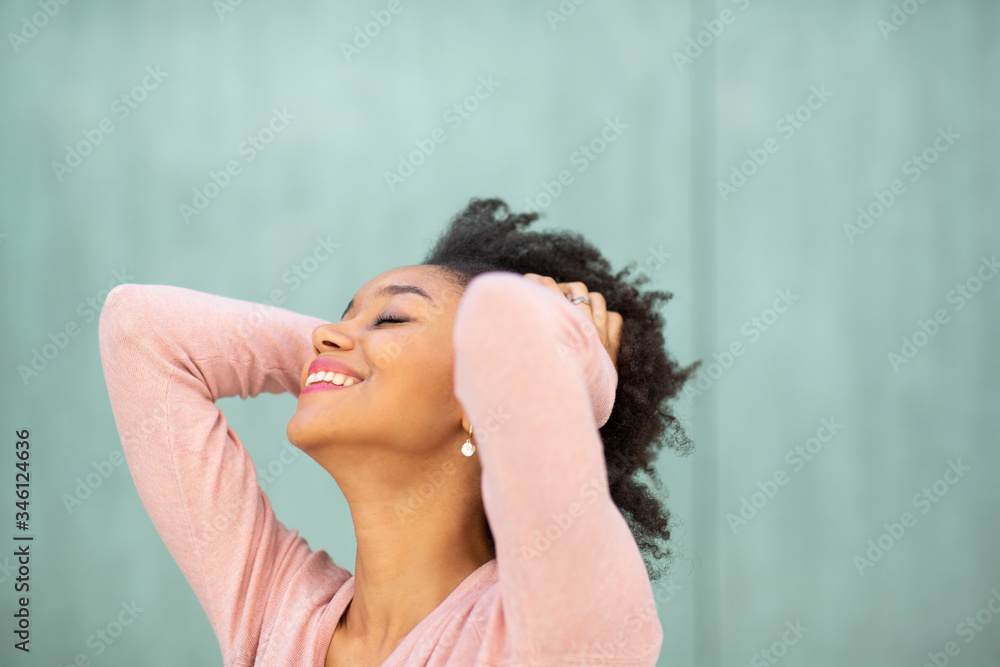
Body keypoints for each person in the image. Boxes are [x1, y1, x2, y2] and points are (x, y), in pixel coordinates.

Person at [98, 197, 696, 666]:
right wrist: (337, 362)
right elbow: (139, 329)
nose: (327, 334)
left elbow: (509, 320)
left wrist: (579, 375)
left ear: (485, 396)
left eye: (391, 317)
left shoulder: (564, 628)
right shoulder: (278, 612)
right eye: (342, 316)